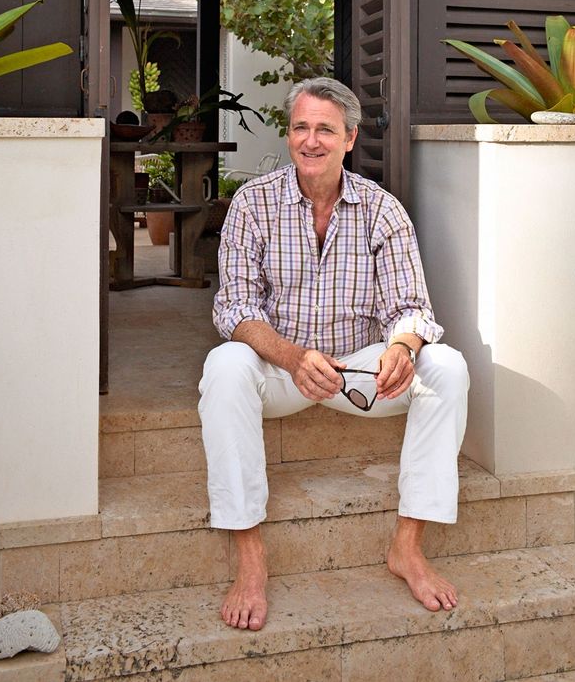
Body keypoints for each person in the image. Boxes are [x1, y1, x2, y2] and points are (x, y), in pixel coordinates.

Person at [198, 77, 469, 632]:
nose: (311, 140)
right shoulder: (253, 202)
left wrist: (402, 346)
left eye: (325, 129)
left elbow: (412, 306)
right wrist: (294, 358)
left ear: (349, 139)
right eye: (301, 127)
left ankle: (408, 548)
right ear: (290, 134)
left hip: (360, 372)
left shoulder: (381, 210)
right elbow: (234, 307)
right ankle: (249, 556)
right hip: (282, 369)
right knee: (224, 365)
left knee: (447, 366)